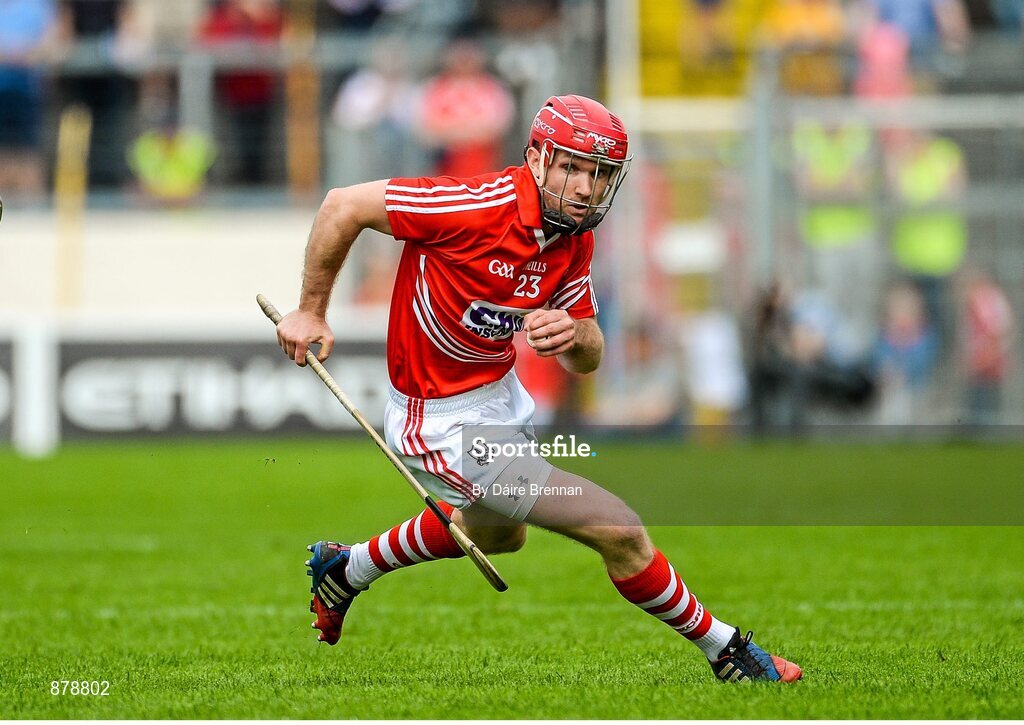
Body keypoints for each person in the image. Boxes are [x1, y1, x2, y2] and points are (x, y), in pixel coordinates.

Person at [275, 95, 803, 683]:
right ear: (536, 158)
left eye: (600, 174)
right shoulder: (472, 205)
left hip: (499, 398)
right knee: (620, 530)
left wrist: (575, 333)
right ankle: (727, 653)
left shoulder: (573, 236)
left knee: (501, 536)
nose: (585, 186)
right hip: (440, 422)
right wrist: (310, 311)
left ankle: (345, 570)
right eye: (572, 167)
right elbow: (340, 206)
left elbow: (589, 357)